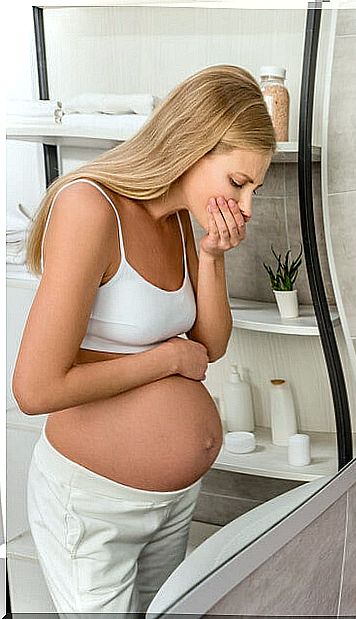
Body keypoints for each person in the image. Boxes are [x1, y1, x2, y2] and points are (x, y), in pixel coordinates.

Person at [13, 64, 275, 614]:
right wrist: (165, 362)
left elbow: (210, 345)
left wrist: (211, 256)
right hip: (92, 506)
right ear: (191, 147)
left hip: (171, 501)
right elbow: (35, 389)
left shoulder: (180, 218)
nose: (247, 206)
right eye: (238, 182)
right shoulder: (91, 207)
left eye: (255, 188)